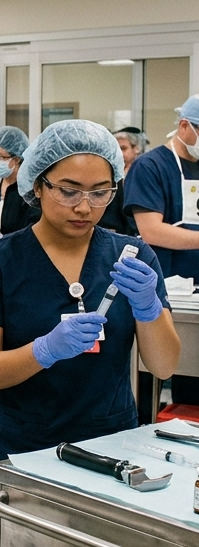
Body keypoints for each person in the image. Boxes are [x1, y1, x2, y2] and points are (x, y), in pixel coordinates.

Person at [0, 119, 180, 547]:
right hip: (19, 448)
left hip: (108, 447)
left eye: (101, 192)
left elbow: (163, 364)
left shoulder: (133, 256)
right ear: (37, 186)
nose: (85, 206)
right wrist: (43, 350)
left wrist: (148, 308)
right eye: (69, 190)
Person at [124, 94, 199, 408]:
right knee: (152, 377)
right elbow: (151, 230)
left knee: (192, 386)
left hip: (195, 293)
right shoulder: (151, 166)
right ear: (184, 126)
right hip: (164, 289)